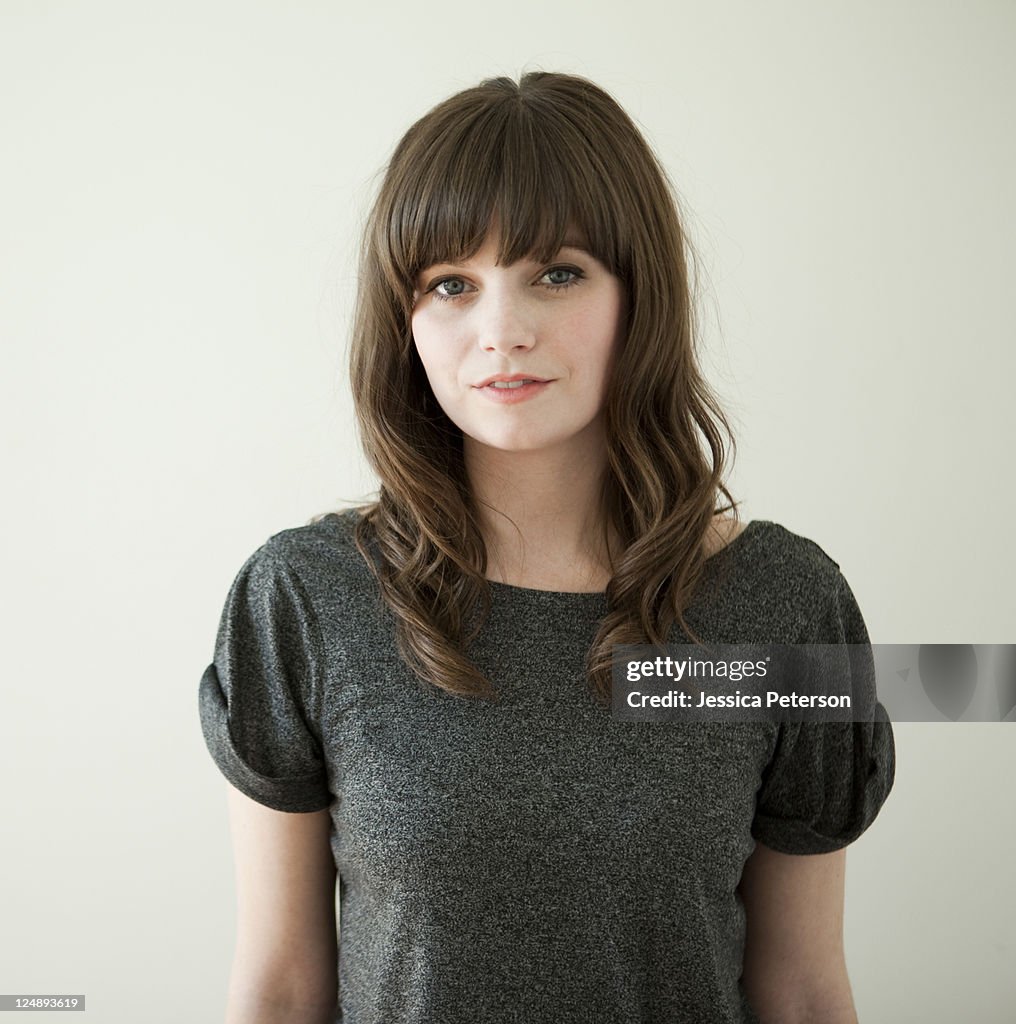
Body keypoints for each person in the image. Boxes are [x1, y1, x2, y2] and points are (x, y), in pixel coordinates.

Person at [198, 70, 896, 1024]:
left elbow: (805, 991)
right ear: (406, 321)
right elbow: (278, 991)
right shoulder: (304, 601)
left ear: (637, 294)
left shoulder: (784, 606)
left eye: (555, 274)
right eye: (451, 285)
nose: (501, 333)